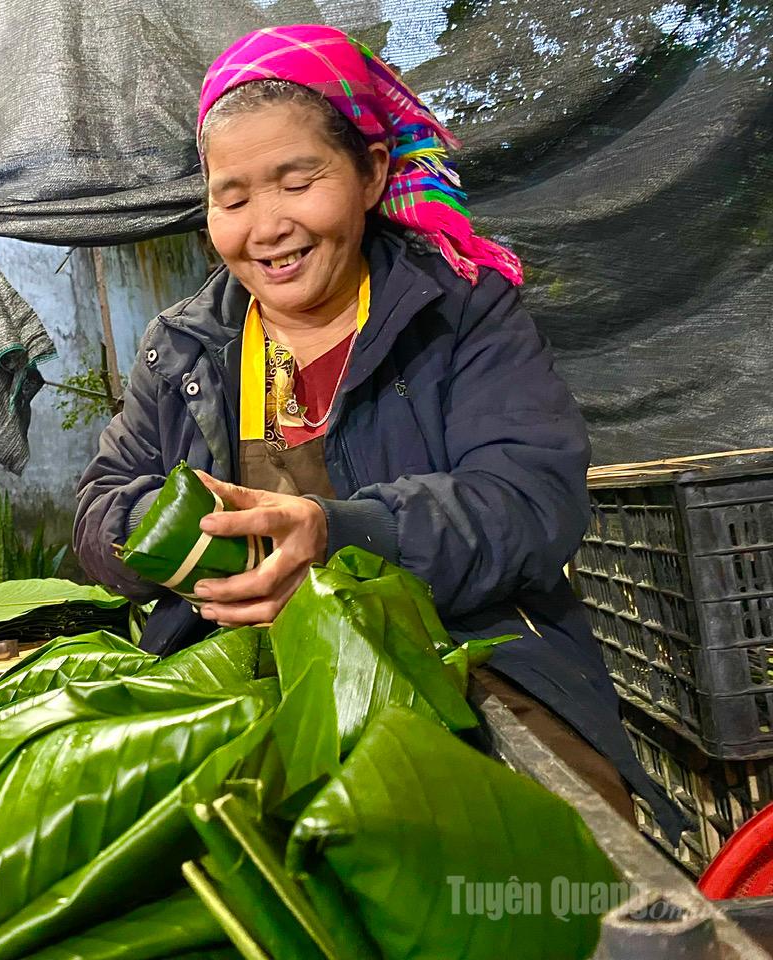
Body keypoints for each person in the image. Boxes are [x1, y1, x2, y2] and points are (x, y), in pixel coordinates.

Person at [74, 24, 683, 835]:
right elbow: (98, 509)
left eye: (299, 181)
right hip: (235, 668)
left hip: (464, 654)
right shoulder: (184, 346)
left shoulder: (461, 311)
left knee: (554, 841)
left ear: (370, 174)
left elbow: (530, 500)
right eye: (233, 197)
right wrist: (168, 533)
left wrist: (342, 535)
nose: (266, 227)